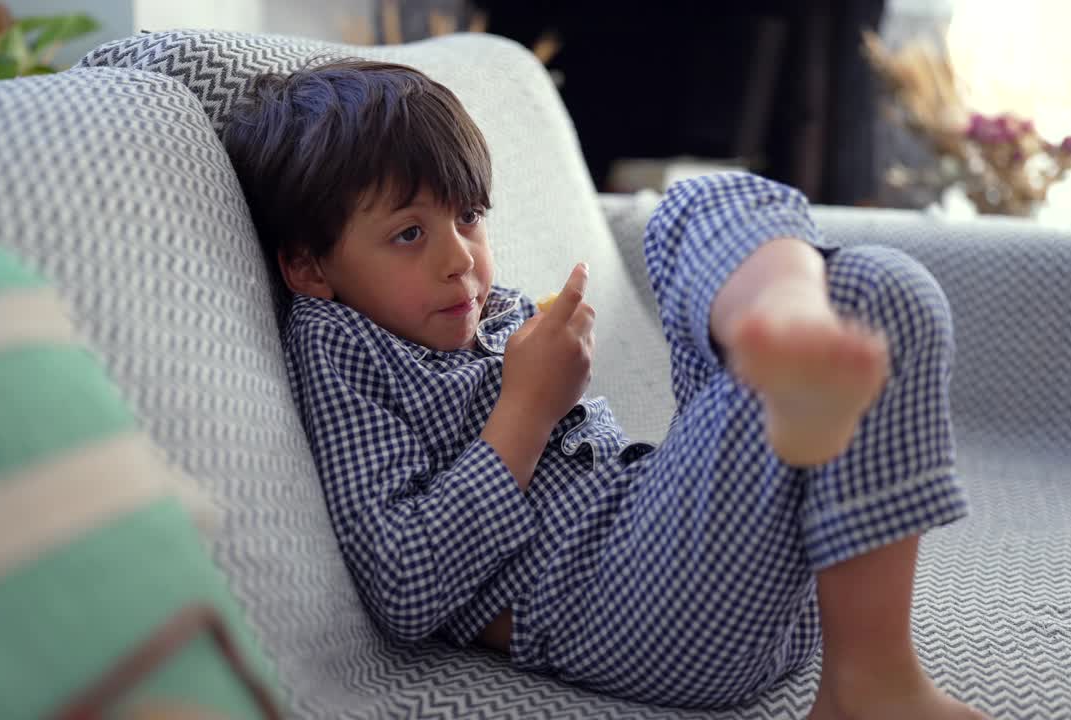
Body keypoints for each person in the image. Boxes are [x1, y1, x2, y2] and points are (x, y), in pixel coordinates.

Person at [220, 58, 986, 719]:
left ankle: (872, 674)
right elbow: (405, 585)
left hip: (744, 581)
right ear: (310, 268)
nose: (462, 261)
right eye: (409, 234)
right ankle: (783, 316)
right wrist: (527, 407)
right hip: (634, 603)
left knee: (881, 286)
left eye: (469, 217)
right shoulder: (340, 343)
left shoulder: (485, 311)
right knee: (690, 211)